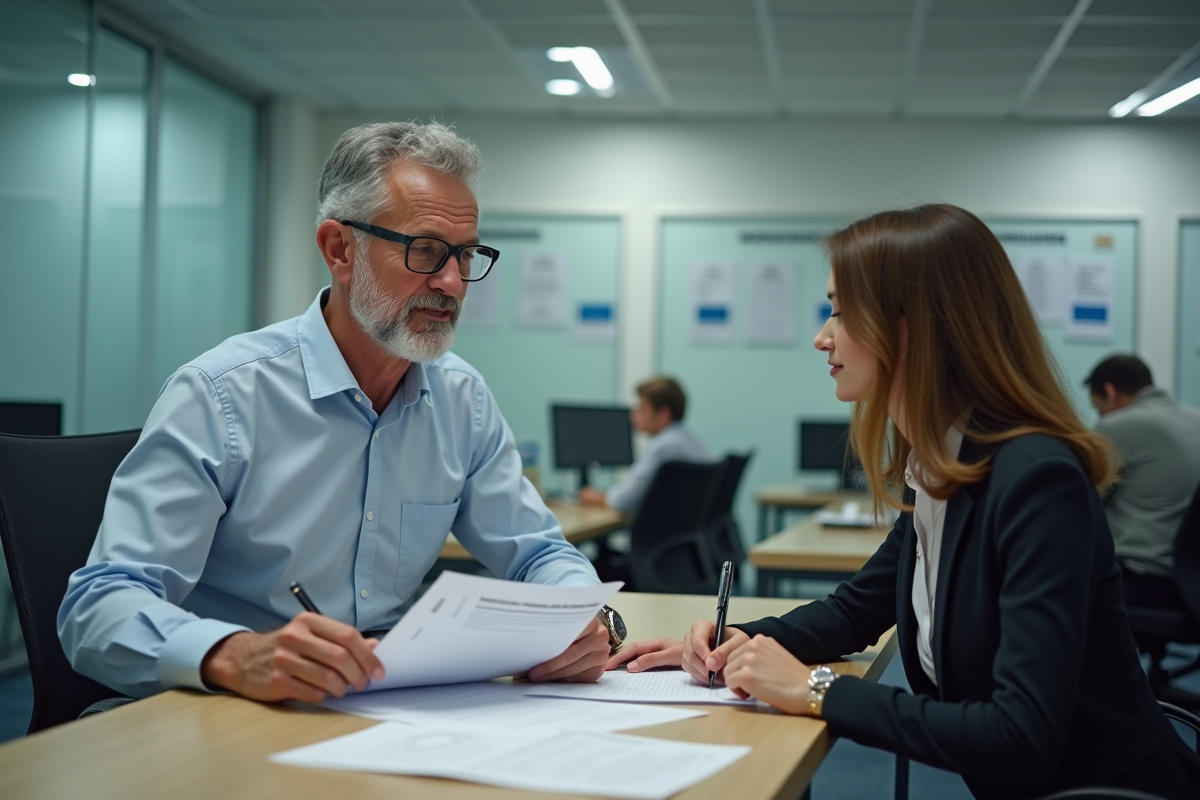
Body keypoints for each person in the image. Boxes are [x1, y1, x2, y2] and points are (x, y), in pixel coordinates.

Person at [609, 205, 1200, 800]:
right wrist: (736, 638)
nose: (822, 337)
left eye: (840, 311)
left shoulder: (1035, 479)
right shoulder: (943, 465)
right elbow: (854, 612)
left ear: (912, 327)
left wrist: (816, 690)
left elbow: (1021, 736)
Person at [58, 121, 620, 704]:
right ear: (340, 249)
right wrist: (230, 654)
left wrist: (579, 616)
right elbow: (98, 608)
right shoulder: (222, 395)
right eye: (426, 251)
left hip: (385, 705)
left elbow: (541, 552)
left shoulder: (462, 400)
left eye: (466, 254)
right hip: (234, 707)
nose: (452, 282)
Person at [1084, 354, 1200, 609]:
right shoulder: (1196, 420)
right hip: (1192, 583)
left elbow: (1080, 504)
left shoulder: (1116, 425)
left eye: (1096, 407)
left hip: (1144, 581)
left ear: (1110, 392)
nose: (1098, 416)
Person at [578, 376, 709, 514]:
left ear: (663, 414)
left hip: (661, 532)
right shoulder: (695, 442)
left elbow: (625, 500)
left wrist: (596, 497)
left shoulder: (662, 447)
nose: (633, 416)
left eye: (641, 410)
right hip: (687, 531)